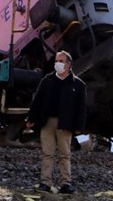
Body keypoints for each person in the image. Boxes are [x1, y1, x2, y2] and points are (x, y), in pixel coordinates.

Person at [25, 50, 87, 193]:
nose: (57, 63)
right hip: (47, 122)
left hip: (65, 124)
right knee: (47, 153)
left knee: (65, 154)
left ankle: (66, 184)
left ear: (69, 64)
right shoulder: (47, 81)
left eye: (61, 61)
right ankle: (45, 183)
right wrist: (31, 118)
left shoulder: (78, 84)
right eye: (56, 61)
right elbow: (37, 101)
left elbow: (81, 108)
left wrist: (79, 126)